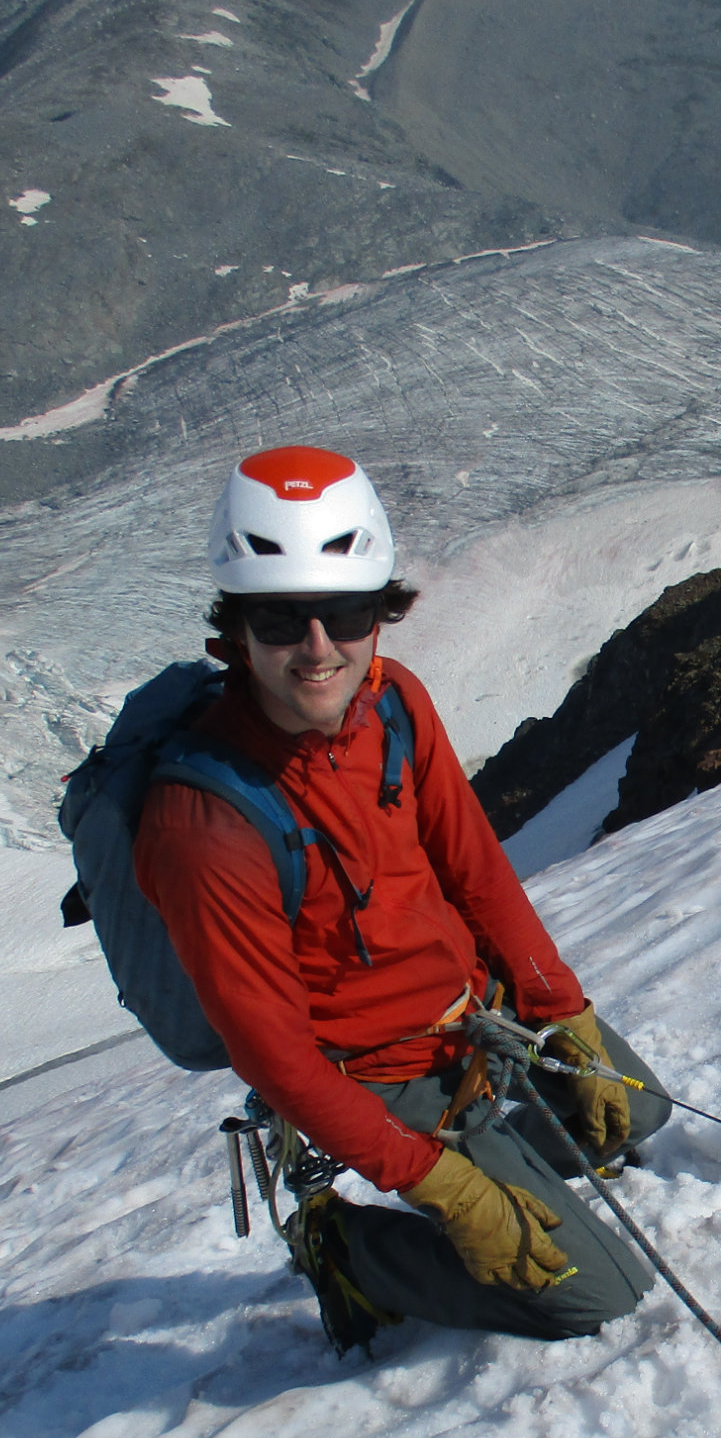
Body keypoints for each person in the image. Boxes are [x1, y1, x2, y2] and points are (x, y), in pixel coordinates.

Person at [134, 444, 666, 1345]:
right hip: (381, 1078)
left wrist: (559, 1007)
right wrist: (437, 1183)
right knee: (597, 1293)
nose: (315, 649)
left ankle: (512, 1153)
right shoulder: (205, 821)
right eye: (278, 621)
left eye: (343, 613)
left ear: (381, 613)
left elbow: (474, 872)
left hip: (475, 1018)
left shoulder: (394, 704)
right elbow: (279, 1061)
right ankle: (345, 1248)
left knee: (632, 1112)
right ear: (234, 630)